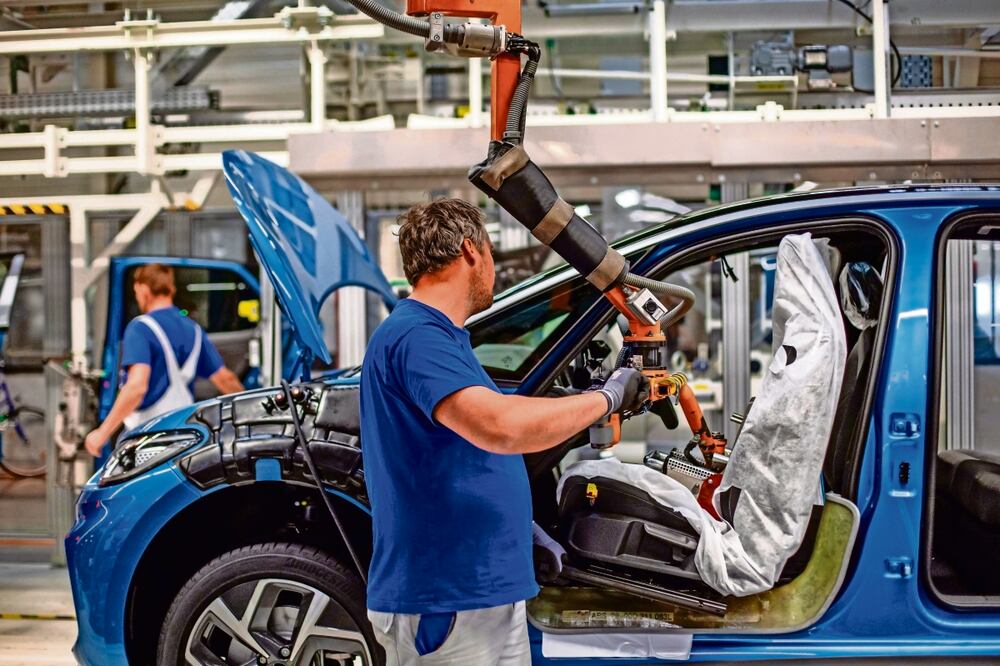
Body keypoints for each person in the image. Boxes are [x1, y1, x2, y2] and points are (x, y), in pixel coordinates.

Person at [360, 199, 647, 665]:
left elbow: (453, 454)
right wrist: (608, 398)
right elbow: (501, 427)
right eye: (492, 253)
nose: (494, 269)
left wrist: (520, 529)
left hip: (472, 591)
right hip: (447, 600)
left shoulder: (442, 337)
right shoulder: (417, 336)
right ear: (470, 251)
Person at [84, 263, 245, 457]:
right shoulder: (194, 330)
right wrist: (252, 412)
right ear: (171, 289)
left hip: (147, 440)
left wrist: (102, 433)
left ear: (144, 289)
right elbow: (225, 379)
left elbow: (136, 387)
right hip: (185, 440)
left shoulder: (140, 328)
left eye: (136, 292)